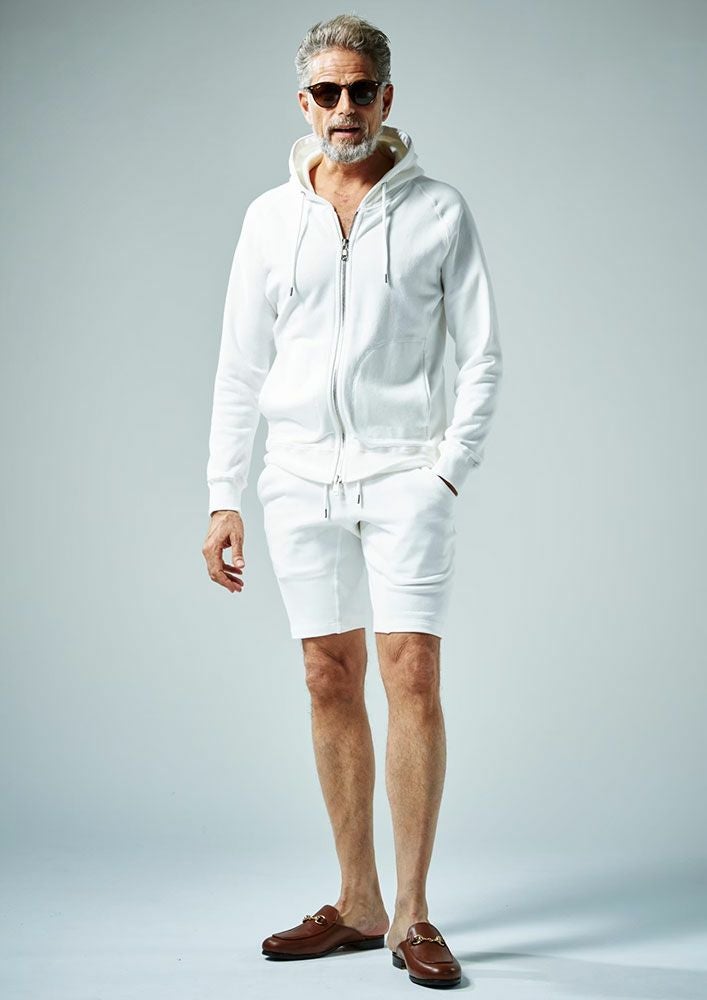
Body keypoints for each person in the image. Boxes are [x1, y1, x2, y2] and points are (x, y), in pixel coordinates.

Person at [202, 14, 502, 990]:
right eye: (327, 92)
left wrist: (444, 469)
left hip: (404, 473)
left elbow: (481, 355)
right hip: (295, 479)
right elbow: (240, 366)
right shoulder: (267, 219)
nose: (344, 107)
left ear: (385, 98)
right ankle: (359, 901)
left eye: (360, 89)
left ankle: (413, 912)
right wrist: (224, 493)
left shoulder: (438, 211)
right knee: (326, 676)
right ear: (304, 102)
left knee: (410, 672)